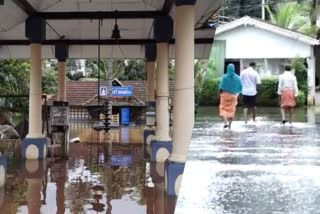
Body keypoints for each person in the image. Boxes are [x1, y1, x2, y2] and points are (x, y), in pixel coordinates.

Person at [219, 64, 243, 129]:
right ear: (234, 69)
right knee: (232, 110)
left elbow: (221, 87)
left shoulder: (224, 77)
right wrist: (237, 93)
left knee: (223, 108)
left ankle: (225, 122)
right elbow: (240, 87)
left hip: (224, 95)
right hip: (233, 96)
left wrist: (220, 94)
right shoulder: (238, 78)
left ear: (227, 69)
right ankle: (229, 126)